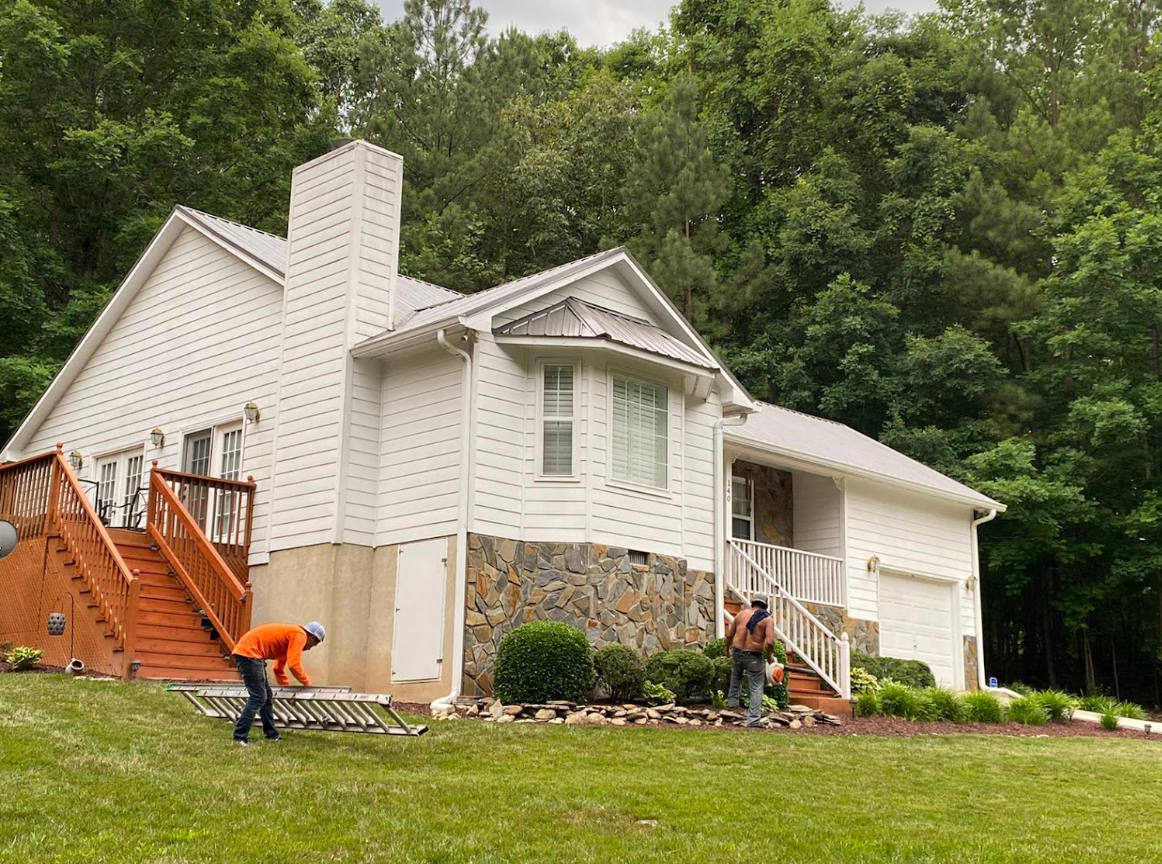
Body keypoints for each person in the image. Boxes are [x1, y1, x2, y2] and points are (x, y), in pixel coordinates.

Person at [229, 621, 326, 745]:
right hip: (249, 654)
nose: (311, 648)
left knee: (266, 697)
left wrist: (287, 691)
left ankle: (271, 734)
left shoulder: (291, 637)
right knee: (258, 697)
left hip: (250, 653)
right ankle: (239, 737)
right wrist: (307, 683)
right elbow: (294, 665)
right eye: (315, 643)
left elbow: (278, 669)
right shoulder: (300, 634)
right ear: (312, 637)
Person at [725, 599, 775, 727]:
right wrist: (769, 657)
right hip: (753, 655)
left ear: (753, 603)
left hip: (737, 652)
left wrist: (727, 650)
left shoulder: (741, 614)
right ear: (765, 605)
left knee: (736, 677)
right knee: (756, 687)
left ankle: (731, 708)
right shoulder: (767, 619)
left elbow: (730, 635)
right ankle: (753, 720)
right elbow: (769, 642)